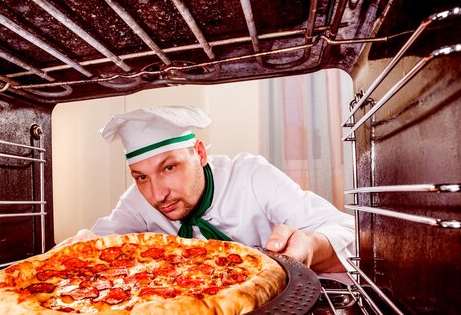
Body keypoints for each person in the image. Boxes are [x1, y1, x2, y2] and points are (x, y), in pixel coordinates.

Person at [65, 106, 354, 273]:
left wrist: (310, 247)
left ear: (200, 154)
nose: (156, 194)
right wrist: (83, 243)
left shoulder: (251, 176)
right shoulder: (137, 201)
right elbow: (97, 243)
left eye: (169, 168)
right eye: (141, 177)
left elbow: (349, 233)